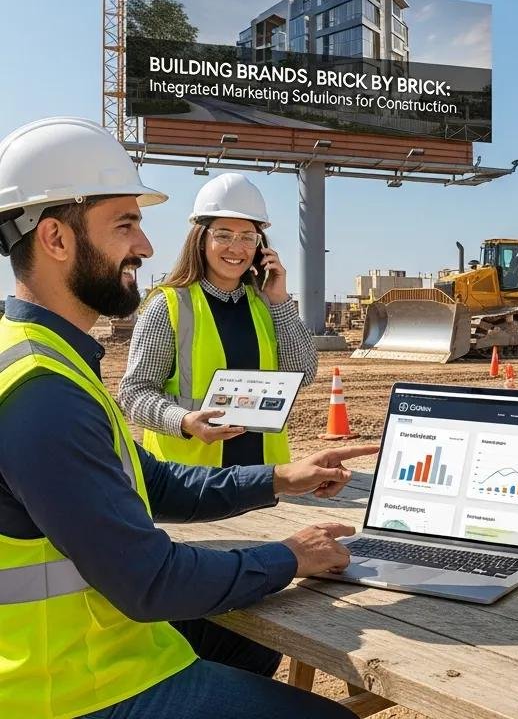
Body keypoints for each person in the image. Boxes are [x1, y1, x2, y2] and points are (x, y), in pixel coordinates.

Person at [0, 117, 377, 718]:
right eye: (125, 224)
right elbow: (150, 580)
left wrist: (282, 477)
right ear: (55, 238)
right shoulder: (44, 392)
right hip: (72, 683)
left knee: (241, 637)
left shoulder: (42, 356)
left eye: (247, 236)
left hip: (106, 628)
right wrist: (289, 556)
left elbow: (149, 481)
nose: (144, 246)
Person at [119, 172, 316, 467]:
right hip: (189, 484)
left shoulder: (266, 305)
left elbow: (303, 374)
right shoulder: (169, 306)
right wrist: (184, 420)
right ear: (200, 239)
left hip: (262, 481)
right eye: (223, 235)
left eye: (248, 237)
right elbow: (134, 394)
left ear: (261, 246)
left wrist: (280, 300)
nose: (236, 248)